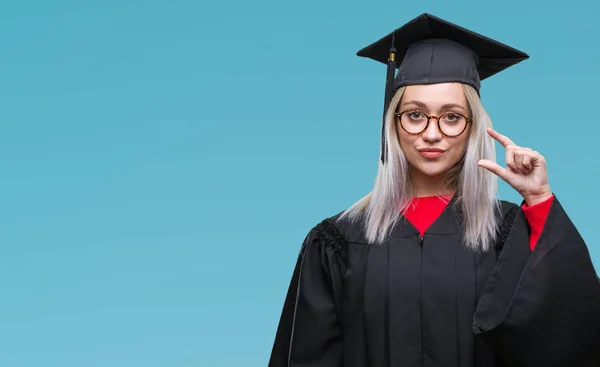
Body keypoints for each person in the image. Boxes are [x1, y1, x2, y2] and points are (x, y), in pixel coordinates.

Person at [267, 13, 600, 367]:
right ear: (392, 124)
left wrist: (538, 201)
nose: (432, 132)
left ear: (473, 128)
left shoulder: (506, 232)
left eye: (452, 116)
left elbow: (571, 331)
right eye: (414, 114)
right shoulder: (339, 241)